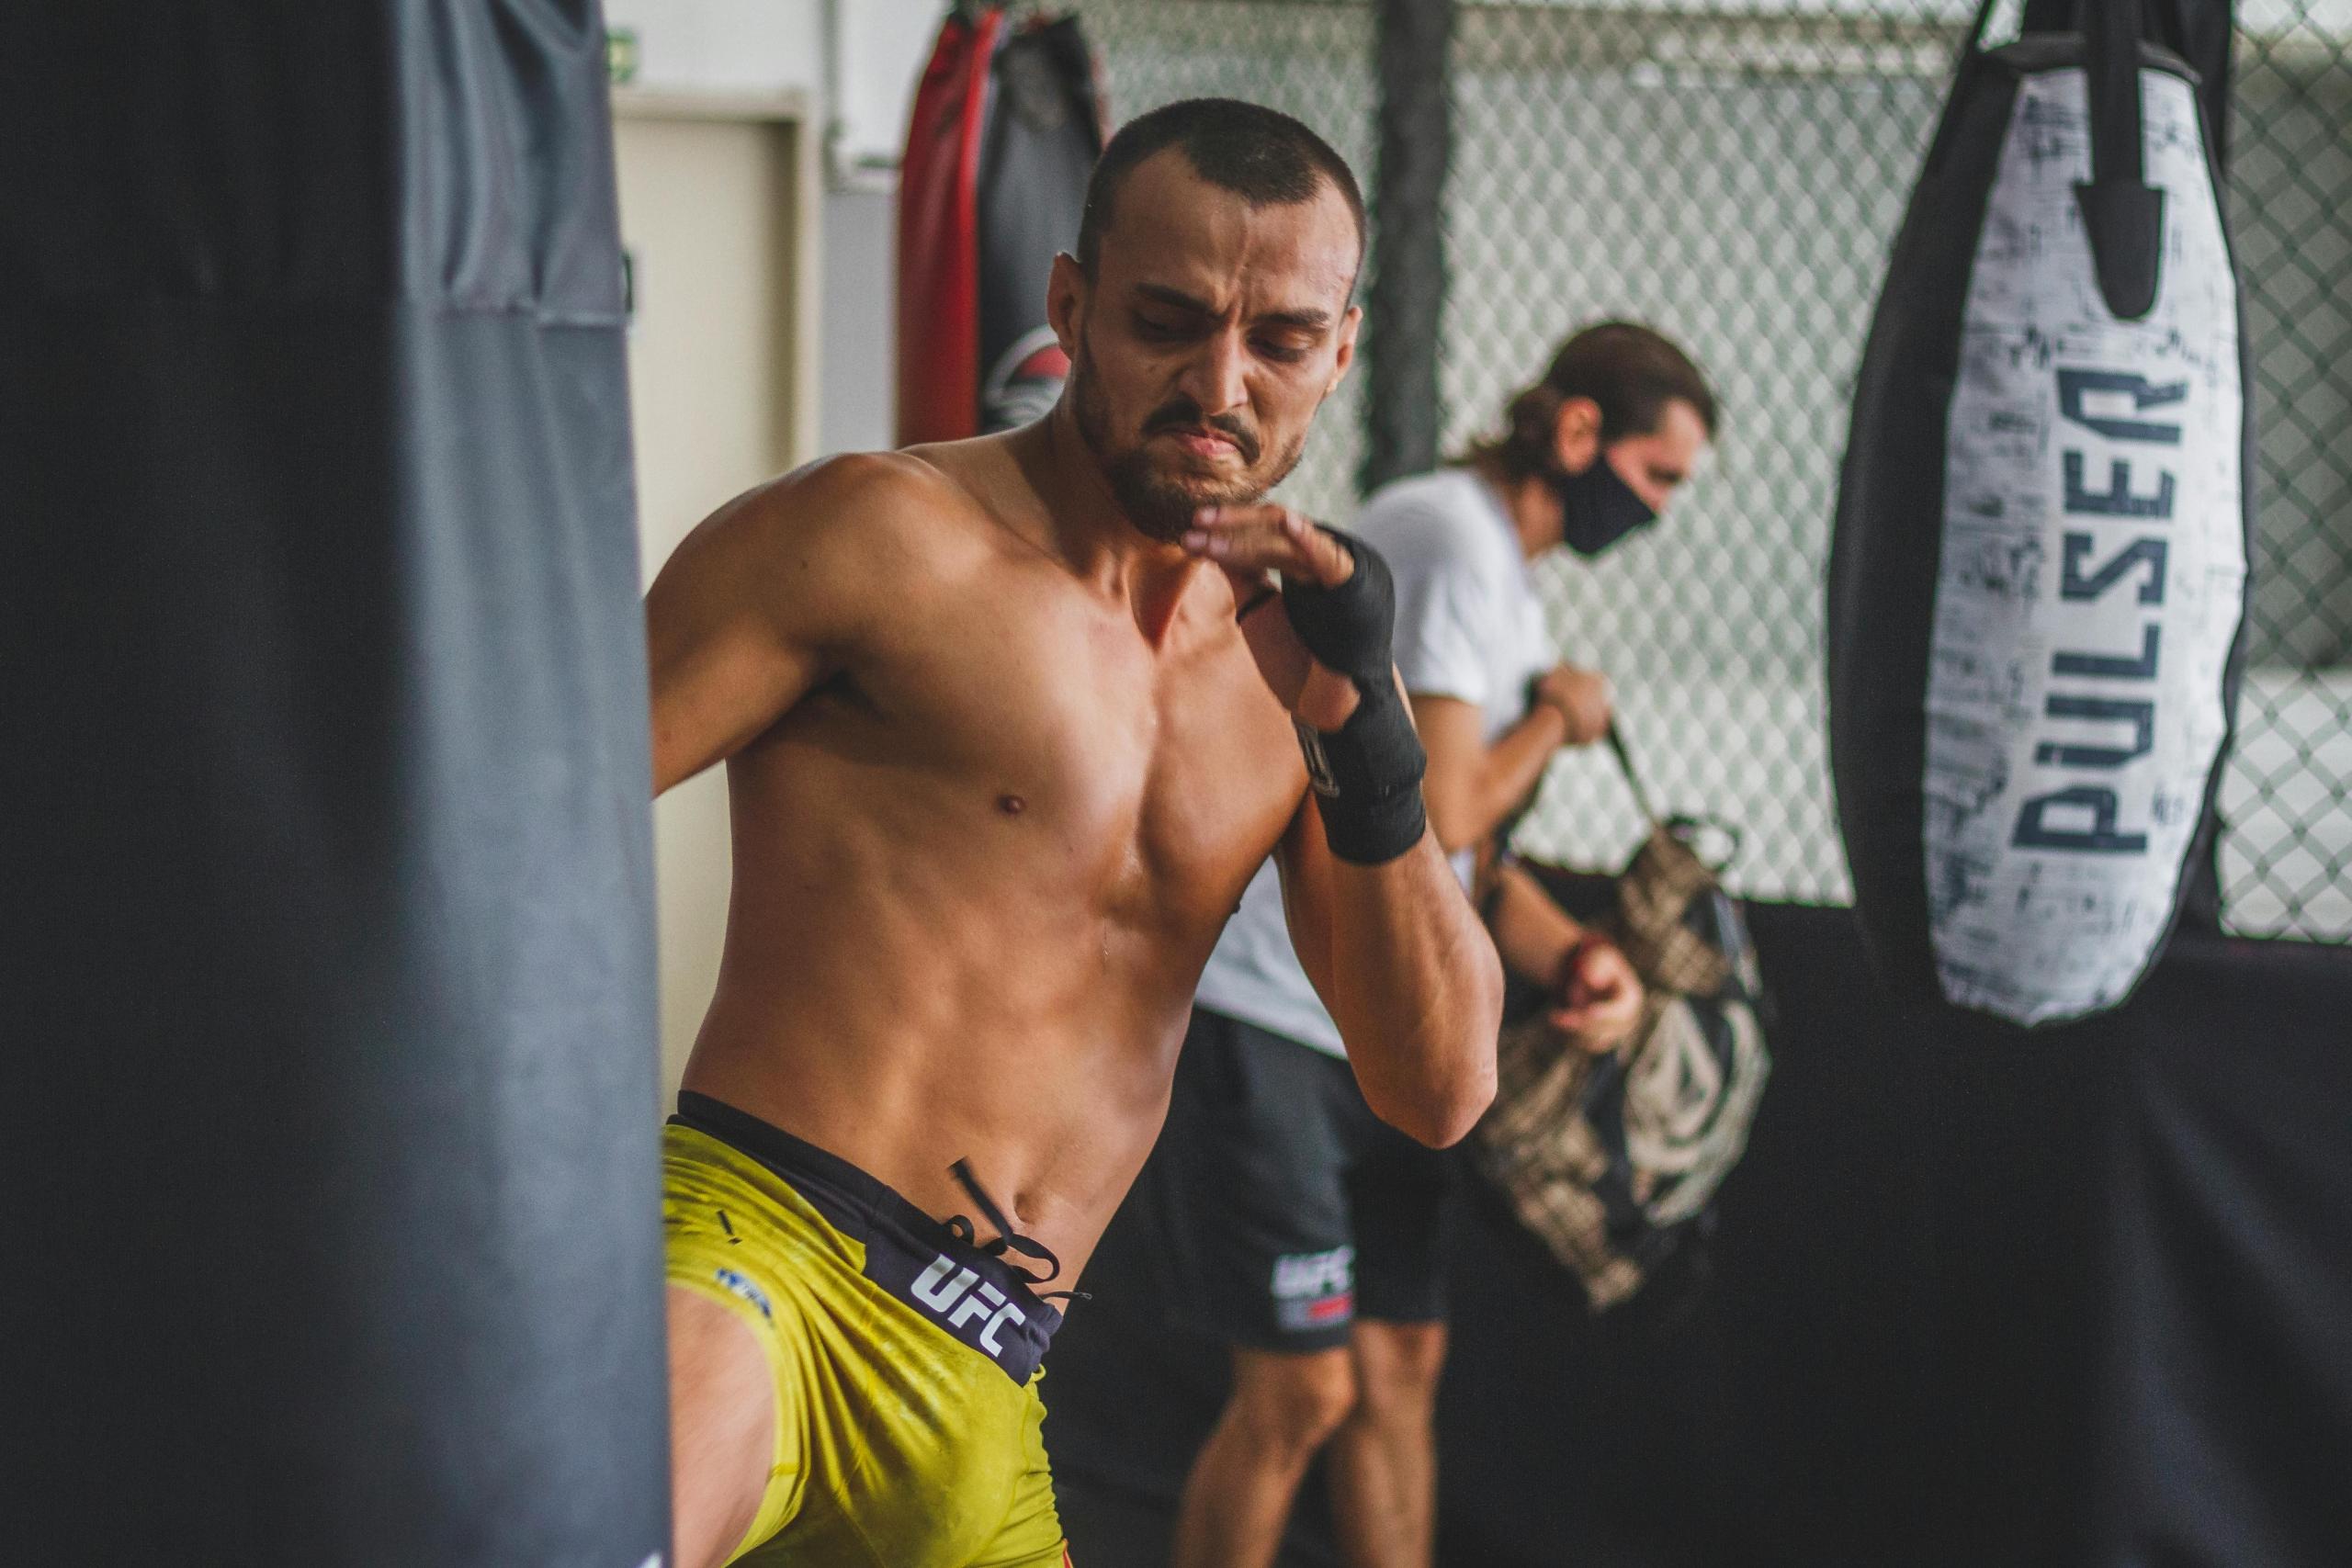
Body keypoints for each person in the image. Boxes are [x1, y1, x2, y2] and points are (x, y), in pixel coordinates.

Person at [643, 98, 1503, 1568]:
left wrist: (1371, 745)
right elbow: (512, 821)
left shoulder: (1294, 685)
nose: (1219, 383)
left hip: (988, 1373)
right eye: (1167, 320)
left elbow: (1439, 1090)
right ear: (1070, 304)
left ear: (1339, 353)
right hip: (761, 1257)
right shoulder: (878, 538)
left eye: (1281, 341)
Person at [1161, 322, 1718, 1568]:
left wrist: (1576, 953)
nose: (1662, 511)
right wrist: (1562, 724)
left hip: (1386, 1028)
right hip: (1278, 1011)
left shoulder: (1506, 579)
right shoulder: (1455, 543)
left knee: (1399, 1366)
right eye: (1659, 474)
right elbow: (1450, 802)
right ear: (1578, 433)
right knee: (1298, 1396)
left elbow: (1454, 863)